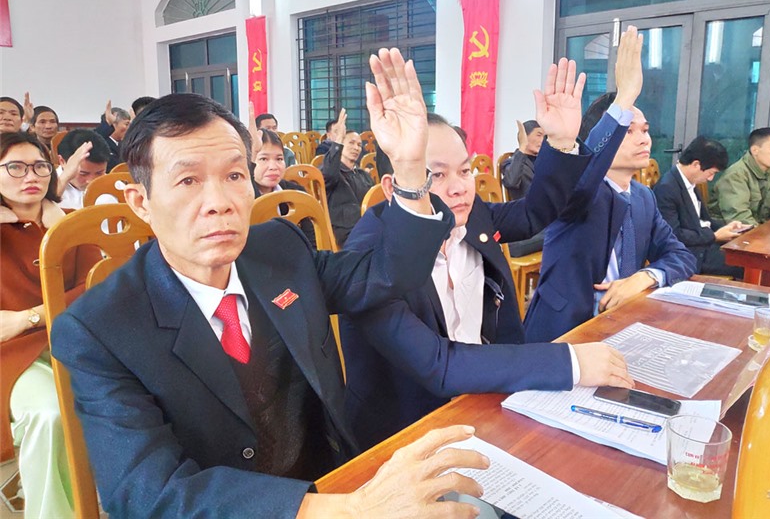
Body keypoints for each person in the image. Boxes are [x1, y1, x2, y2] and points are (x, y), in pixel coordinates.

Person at [49, 48, 492, 518]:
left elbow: (388, 274)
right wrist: (351, 510)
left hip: (337, 483)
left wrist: (409, 168)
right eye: (188, 181)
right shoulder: (100, 328)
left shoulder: (279, 249)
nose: (219, 202)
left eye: (234, 175)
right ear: (141, 202)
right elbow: (150, 494)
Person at [341, 47, 638, 450]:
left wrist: (563, 141)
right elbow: (439, 364)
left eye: (465, 170)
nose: (459, 187)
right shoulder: (369, 255)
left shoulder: (470, 214)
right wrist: (569, 362)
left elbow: (536, 212)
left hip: (489, 403)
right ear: (396, 187)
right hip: (406, 433)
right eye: (437, 175)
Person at [523, 28, 696, 343]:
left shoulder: (643, 197)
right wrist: (624, 98)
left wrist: (644, 277)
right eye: (628, 131)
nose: (643, 139)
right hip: (565, 330)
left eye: (645, 130)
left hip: (625, 321)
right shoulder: (578, 192)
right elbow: (583, 170)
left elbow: (680, 255)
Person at [0, 131, 99, 519]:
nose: (31, 176)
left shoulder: (72, 224)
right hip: (12, 356)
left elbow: (96, 287)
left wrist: (29, 317)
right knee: (50, 413)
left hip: (76, 341)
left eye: (40, 166)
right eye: (16, 167)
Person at [653, 137, 747, 278]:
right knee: (747, 264)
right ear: (696, 164)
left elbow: (703, 220)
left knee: (745, 254)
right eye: (711, 173)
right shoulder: (666, 188)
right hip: (689, 254)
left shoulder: (689, 182)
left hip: (702, 245)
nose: (710, 179)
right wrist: (714, 236)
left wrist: (728, 227)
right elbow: (673, 234)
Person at [708, 127, 770, 225]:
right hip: (728, 230)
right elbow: (740, 219)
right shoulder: (735, 176)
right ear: (755, 150)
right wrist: (766, 233)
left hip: (757, 228)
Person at [251, 128, 317, 248]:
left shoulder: (296, 193)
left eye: (279, 159)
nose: (273, 166)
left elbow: (311, 242)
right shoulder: (241, 197)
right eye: (263, 159)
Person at [322, 109, 374, 246]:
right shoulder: (332, 172)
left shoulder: (363, 175)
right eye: (351, 143)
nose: (356, 148)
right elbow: (328, 174)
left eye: (359, 145)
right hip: (346, 231)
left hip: (368, 225)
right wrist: (338, 139)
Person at [55, 129, 111, 210]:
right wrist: (64, 179)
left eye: (99, 173)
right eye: (83, 173)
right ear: (62, 161)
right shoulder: (44, 187)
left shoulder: (113, 186)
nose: (91, 181)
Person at [500, 119, 545, 201]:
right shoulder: (511, 162)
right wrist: (523, 146)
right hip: (528, 206)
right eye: (539, 135)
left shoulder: (543, 161)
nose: (542, 140)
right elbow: (511, 182)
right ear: (524, 137)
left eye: (544, 137)